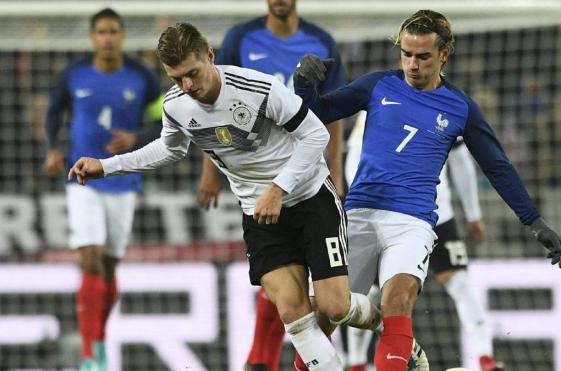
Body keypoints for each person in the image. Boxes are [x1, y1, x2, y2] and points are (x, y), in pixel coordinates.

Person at [67, 23, 381, 371]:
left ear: (210, 57)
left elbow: (315, 136)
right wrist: (107, 166)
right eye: (177, 79)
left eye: (192, 73)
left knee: (334, 307)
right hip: (260, 215)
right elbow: (168, 150)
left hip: (309, 199)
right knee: (293, 311)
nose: (187, 86)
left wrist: (278, 188)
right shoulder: (177, 106)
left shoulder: (258, 88)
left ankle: (385, 324)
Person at [293, 9, 561, 370]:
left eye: (422, 56)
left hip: (413, 221)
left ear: (445, 53)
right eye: (406, 54)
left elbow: (497, 167)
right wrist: (303, 82)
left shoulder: (461, 108)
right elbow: (317, 112)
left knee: (397, 302)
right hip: (359, 212)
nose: (412, 64)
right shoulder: (377, 85)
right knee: (327, 315)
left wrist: (534, 221)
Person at [193, 1, 348, 369]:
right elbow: (212, 105)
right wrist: (210, 174)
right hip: (258, 171)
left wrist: (337, 173)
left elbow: (332, 113)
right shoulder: (241, 38)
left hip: (308, 173)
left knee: (328, 293)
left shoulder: (321, 41)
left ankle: (287, 358)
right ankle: (264, 358)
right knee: (281, 267)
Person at [42, 8, 162, 371]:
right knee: (90, 257)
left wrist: (136, 138)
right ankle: (89, 353)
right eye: (101, 32)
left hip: (123, 180)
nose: (107, 38)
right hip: (81, 177)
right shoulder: (74, 74)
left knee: (109, 268)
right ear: (92, 37)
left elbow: (164, 121)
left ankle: (98, 340)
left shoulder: (142, 76)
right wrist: (51, 147)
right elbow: (53, 112)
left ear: (122, 36)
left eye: (113, 31)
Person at [343, 114, 504, 371]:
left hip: (436, 213)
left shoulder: (450, 108)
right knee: (370, 293)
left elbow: (461, 160)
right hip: (387, 217)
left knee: (459, 281)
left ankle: (486, 360)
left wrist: (473, 215)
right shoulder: (376, 104)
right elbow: (355, 157)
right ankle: (357, 363)